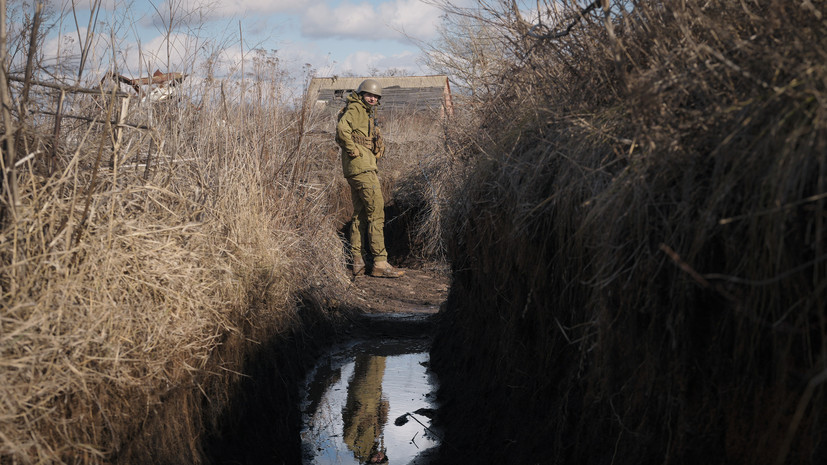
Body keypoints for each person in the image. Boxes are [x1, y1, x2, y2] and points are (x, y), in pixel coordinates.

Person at [336, 78, 405, 278]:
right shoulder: (356, 109)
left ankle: (357, 261)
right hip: (362, 168)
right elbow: (342, 130)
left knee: (360, 215)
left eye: (376, 96)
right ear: (361, 95)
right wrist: (354, 150)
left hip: (356, 169)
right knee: (377, 214)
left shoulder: (363, 111)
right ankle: (380, 263)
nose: (373, 98)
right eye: (369, 95)